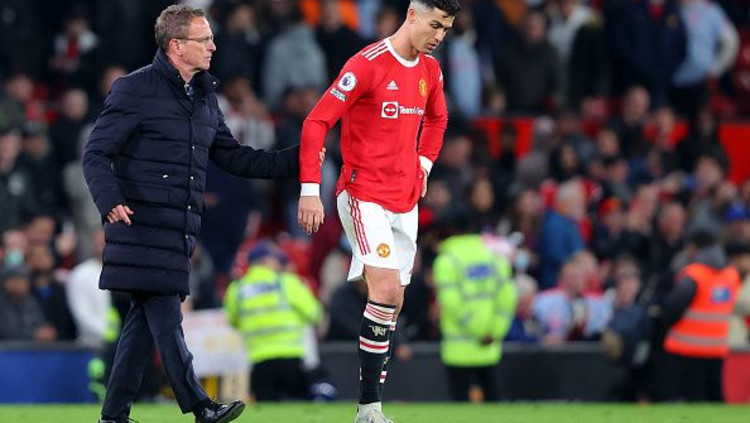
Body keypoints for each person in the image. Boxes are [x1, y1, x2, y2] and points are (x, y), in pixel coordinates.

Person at [82, 5, 320, 423]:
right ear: (176, 46)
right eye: (204, 39)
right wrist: (109, 201)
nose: (213, 46)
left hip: (178, 229)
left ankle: (113, 416)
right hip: (139, 223)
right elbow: (96, 153)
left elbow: (235, 157)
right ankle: (200, 406)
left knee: (143, 323)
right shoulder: (134, 89)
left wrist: (300, 158)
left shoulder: (205, 96)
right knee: (165, 315)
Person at [297, 0, 460, 421]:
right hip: (362, 194)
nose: (440, 36)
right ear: (412, 15)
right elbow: (317, 122)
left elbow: (438, 120)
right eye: (435, 25)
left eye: (446, 29)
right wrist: (310, 189)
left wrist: (424, 164)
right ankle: (368, 410)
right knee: (385, 291)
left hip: (405, 200)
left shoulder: (430, 71)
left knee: (392, 301)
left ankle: (370, 407)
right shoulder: (366, 64)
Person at [432, 211, 517, 402]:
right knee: (493, 405)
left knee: (460, 409)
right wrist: (494, 331)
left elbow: (451, 302)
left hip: (458, 349)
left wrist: (477, 330)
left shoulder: (446, 261)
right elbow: (507, 299)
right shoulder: (495, 258)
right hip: (489, 346)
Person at [223, 241, 322, 401]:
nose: (280, 264)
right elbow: (314, 313)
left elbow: (232, 320)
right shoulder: (286, 282)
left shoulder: (237, 289)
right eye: (276, 259)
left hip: (259, 360)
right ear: (266, 260)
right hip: (291, 356)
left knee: (267, 408)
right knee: (298, 407)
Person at [656, 223, 740, 402]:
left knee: (681, 400)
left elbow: (671, 309)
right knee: (712, 401)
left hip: (684, 348)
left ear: (694, 247)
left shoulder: (694, 275)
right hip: (716, 349)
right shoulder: (731, 276)